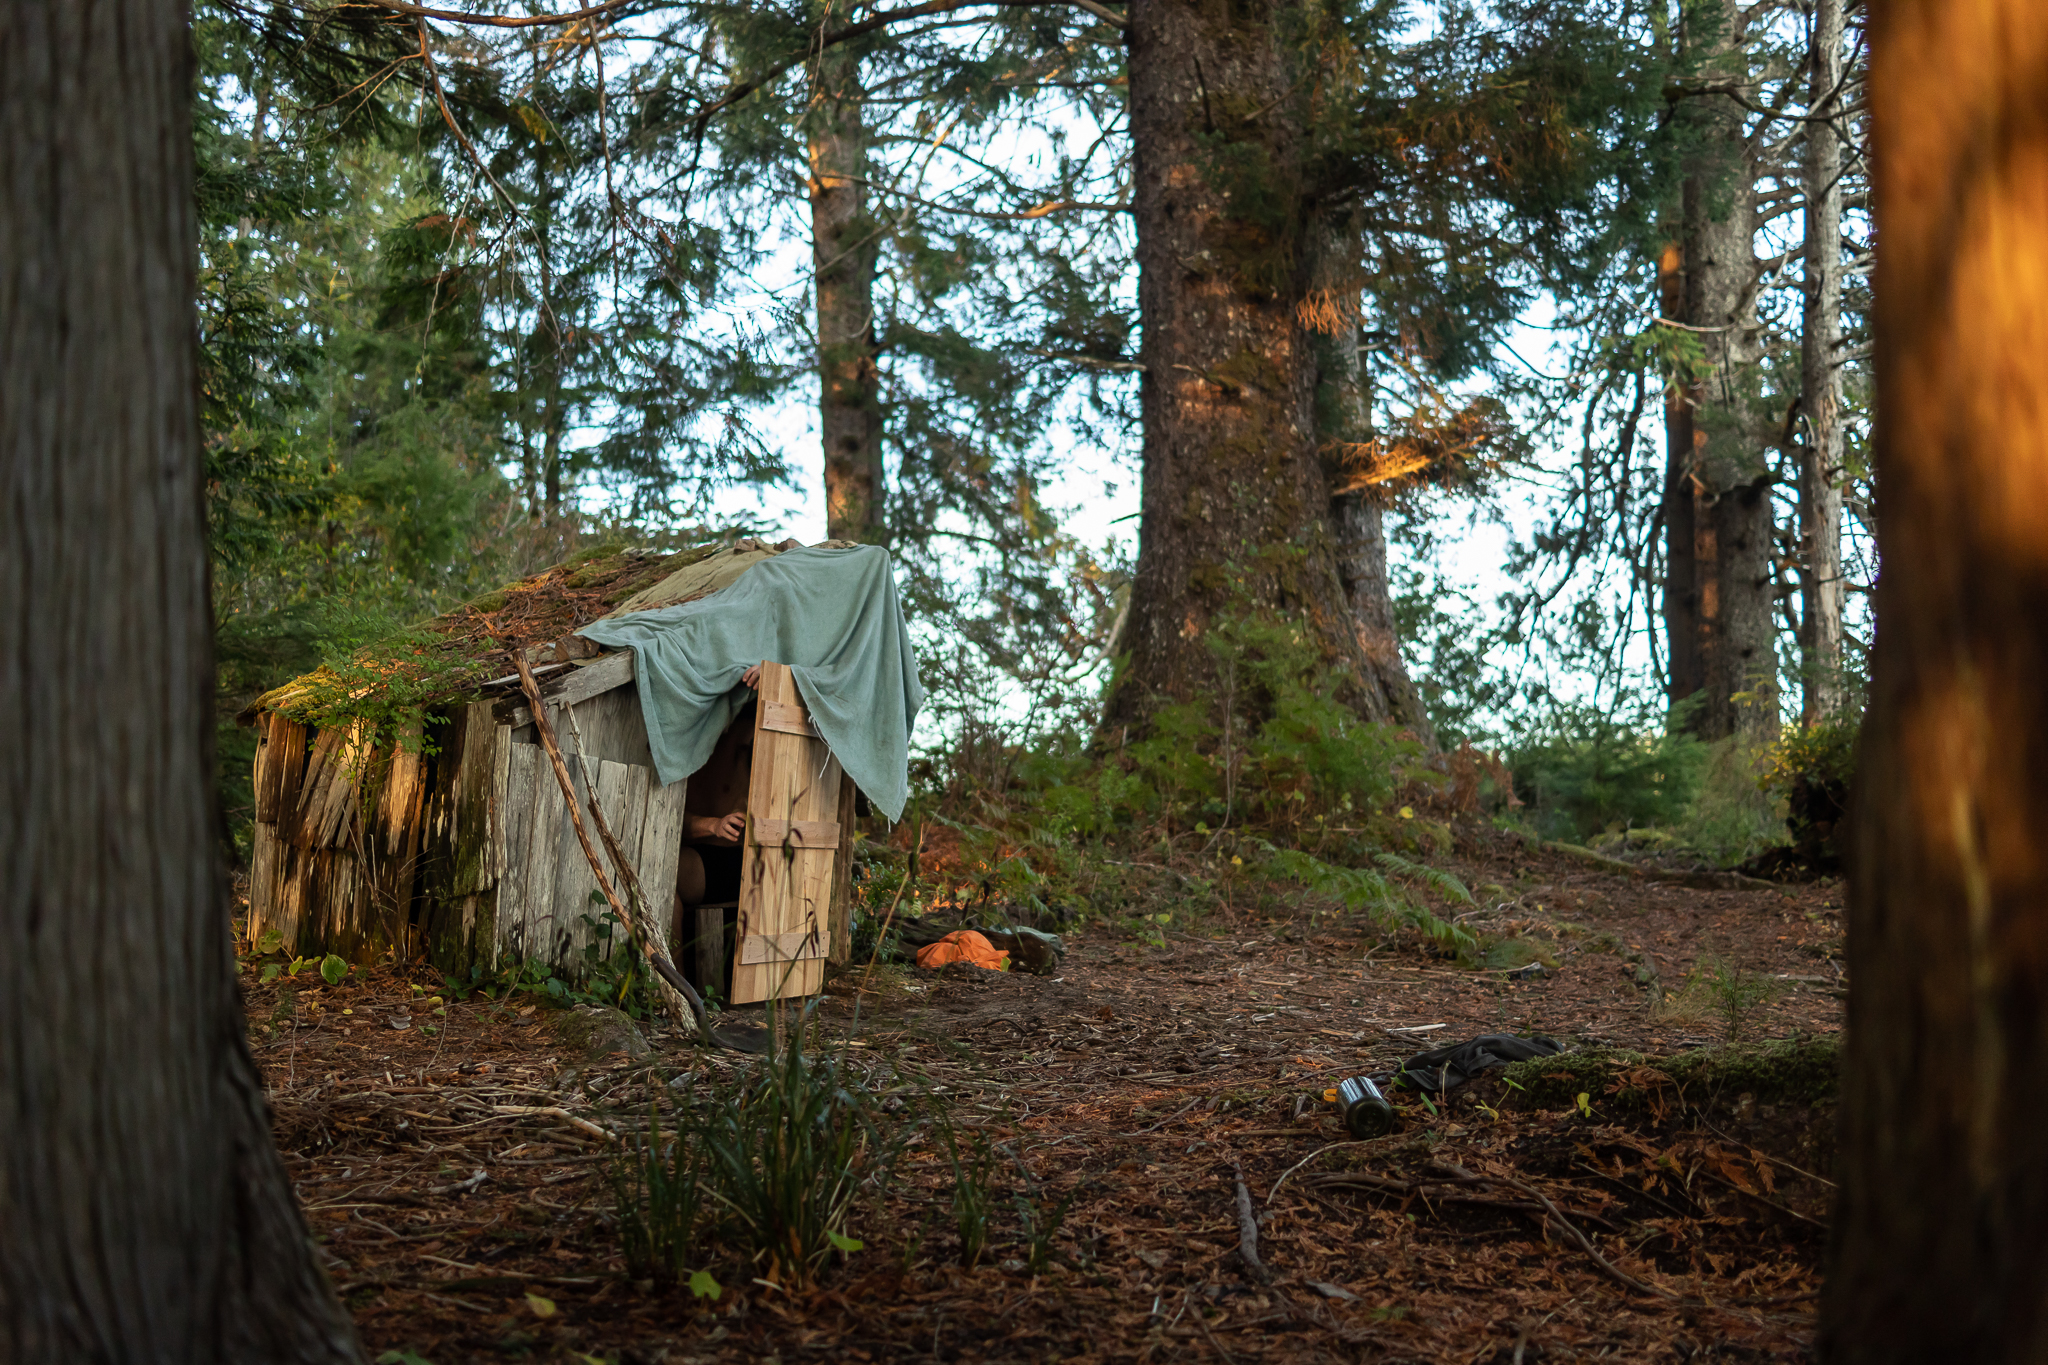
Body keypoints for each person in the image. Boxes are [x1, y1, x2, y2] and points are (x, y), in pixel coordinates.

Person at [675, 665, 764, 985]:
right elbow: (666, 821)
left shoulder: (753, 734)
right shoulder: (680, 747)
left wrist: (777, 678)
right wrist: (709, 825)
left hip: (739, 862)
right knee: (661, 876)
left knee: (669, 872)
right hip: (697, 854)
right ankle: (677, 988)